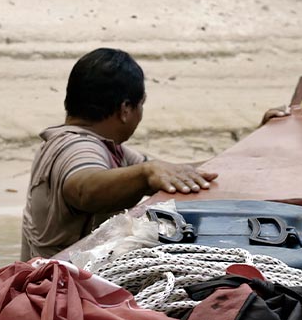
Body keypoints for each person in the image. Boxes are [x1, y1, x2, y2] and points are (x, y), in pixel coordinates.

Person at [20, 48, 217, 260]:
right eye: (141, 104)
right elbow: (83, 189)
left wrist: (245, 154)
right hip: (56, 286)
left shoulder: (106, 148)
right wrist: (145, 173)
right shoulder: (76, 147)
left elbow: (175, 174)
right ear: (125, 110)